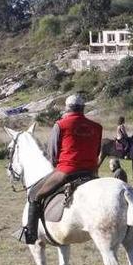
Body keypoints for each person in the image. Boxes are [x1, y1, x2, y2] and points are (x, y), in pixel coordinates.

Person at [18, 94, 103, 244]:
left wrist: (57, 165)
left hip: (67, 171)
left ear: (67, 108)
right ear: (83, 108)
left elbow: (52, 153)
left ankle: (30, 234)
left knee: (35, 194)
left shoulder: (61, 125)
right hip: (91, 172)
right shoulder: (97, 127)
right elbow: (97, 151)